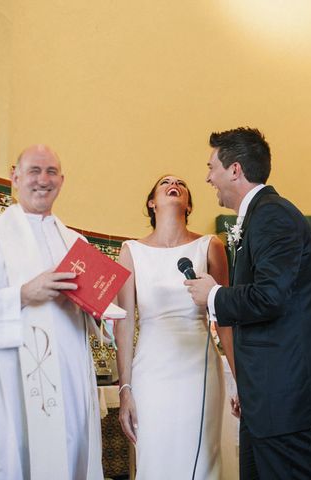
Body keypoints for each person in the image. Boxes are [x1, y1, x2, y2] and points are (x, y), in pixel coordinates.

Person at [187, 127, 311, 479]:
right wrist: (247, 385)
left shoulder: (272, 216)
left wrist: (214, 294)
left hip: (283, 394)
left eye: (212, 166)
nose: (207, 176)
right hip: (266, 392)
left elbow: (271, 296)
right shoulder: (261, 215)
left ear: (235, 169)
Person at [0, 145, 104, 480]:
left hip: (69, 379)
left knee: (71, 454)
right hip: (12, 380)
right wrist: (22, 294)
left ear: (62, 181)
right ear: (15, 176)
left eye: (51, 172)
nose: (43, 180)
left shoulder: (76, 243)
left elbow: (98, 319)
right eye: (34, 170)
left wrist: (95, 309)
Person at [115, 174, 235, 479]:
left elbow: (226, 320)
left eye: (182, 183)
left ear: (189, 203)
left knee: (203, 457)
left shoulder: (211, 246)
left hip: (199, 366)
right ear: (152, 202)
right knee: (155, 455)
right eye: (165, 182)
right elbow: (125, 323)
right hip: (150, 369)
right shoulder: (131, 252)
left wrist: (241, 379)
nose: (175, 184)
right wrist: (125, 390)